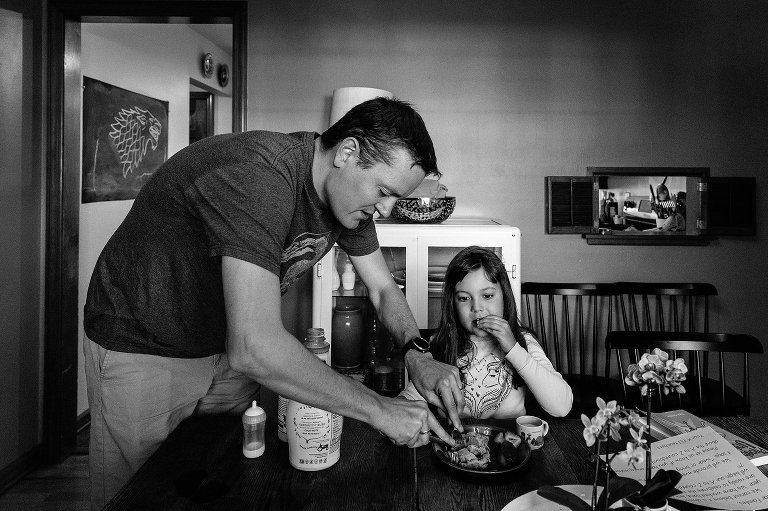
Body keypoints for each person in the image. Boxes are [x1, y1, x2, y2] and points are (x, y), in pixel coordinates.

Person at [83, 97, 465, 509]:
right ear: (348, 153)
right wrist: (380, 410)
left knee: (218, 478)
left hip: (220, 348)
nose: (386, 210)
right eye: (385, 192)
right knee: (140, 496)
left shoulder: (348, 203)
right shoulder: (262, 176)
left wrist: (416, 352)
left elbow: (382, 289)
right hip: (144, 342)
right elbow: (254, 347)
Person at [399, 246, 573, 419]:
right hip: (454, 443)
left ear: (504, 296)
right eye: (464, 298)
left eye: (487, 296)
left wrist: (514, 349)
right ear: (453, 303)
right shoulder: (440, 343)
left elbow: (561, 406)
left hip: (509, 442)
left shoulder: (523, 341)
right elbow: (408, 401)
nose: (477, 308)